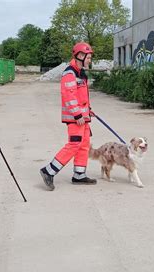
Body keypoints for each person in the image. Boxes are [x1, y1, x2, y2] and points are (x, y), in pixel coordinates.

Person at [39, 42, 97, 190]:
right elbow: (69, 96)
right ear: (80, 56)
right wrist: (78, 115)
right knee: (74, 144)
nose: (90, 60)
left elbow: (81, 97)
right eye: (88, 57)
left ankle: (79, 175)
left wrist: (88, 110)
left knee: (84, 145)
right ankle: (48, 171)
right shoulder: (70, 73)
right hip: (75, 119)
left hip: (83, 118)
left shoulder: (81, 73)